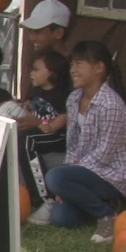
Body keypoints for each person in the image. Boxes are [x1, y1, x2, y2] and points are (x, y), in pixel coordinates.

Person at [44, 40, 126, 243]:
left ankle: (107, 216)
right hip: (84, 172)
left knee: (55, 177)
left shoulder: (111, 104)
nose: (72, 70)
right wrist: (68, 177)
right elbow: (73, 144)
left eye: (79, 64)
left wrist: (66, 178)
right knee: (61, 219)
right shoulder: (74, 99)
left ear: (99, 68)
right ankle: (101, 205)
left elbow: (104, 153)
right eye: (72, 64)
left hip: (111, 175)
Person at [22, 50, 72, 225]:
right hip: (39, 133)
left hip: (57, 136)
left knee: (28, 140)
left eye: (36, 69)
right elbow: (30, 107)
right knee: (24, 138)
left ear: (52, 72)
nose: (31, 73)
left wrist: (51, 126)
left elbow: (64, 116)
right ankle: (29, 191)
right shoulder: (35, 91)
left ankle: (44, 197)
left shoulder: (61, 94)